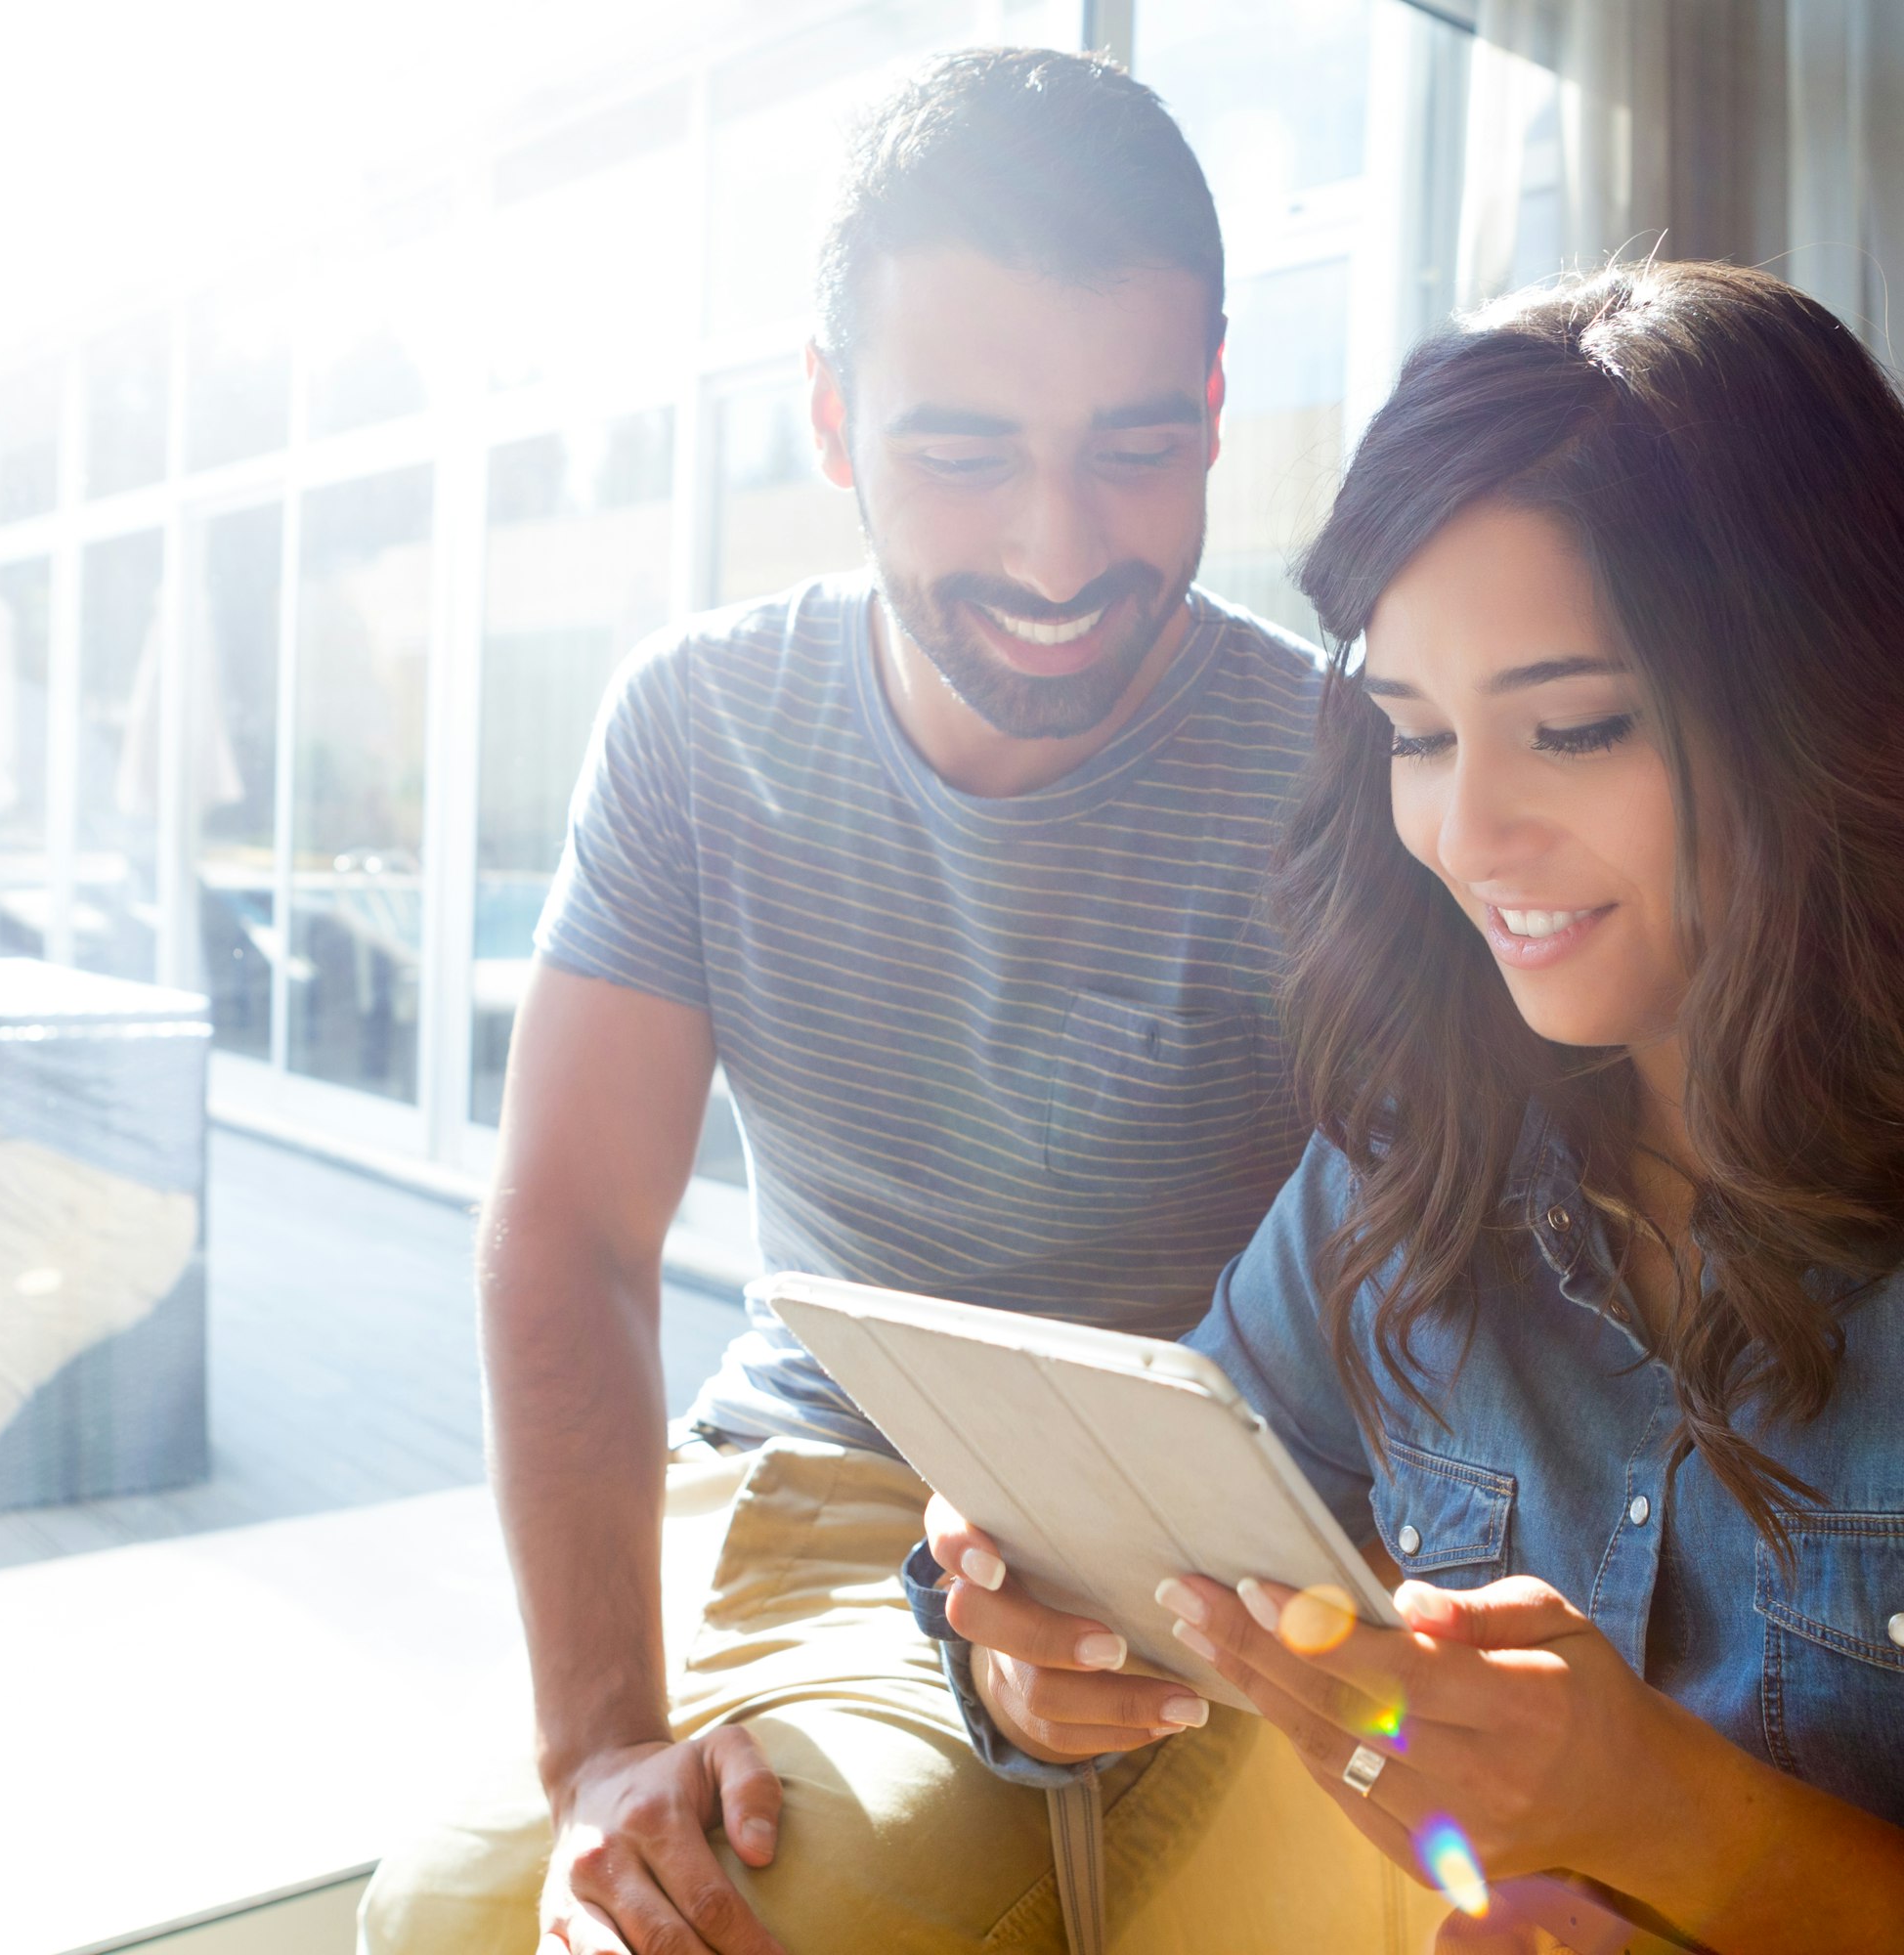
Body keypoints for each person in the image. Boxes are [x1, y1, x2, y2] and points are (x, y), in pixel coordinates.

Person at [360, 47, 1426, 1955]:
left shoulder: (1344, 773)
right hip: (792, 1485)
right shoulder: (695, 728)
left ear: (1209, 404)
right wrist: (605, 1743)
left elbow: (1440, 1305)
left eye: (1130, 445)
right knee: (441, 1912)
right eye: (960, 453)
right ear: (831, 421)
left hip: (1163, 1544)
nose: (1057, 550)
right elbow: (572, 1232)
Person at [928, 258, 1904, 1949]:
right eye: (1417, 736)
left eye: (1577, 728)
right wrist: (1023, 1658)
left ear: (1829, 695)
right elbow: (1165, 1536)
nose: (1467, 836)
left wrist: (1679, 1830)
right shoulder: (1418, 1161)